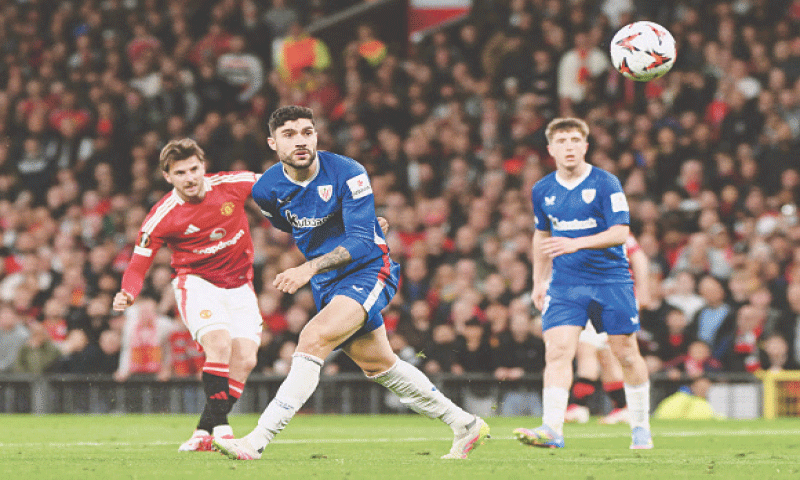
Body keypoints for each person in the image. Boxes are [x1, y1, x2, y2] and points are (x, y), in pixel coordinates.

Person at [213, 105, 489, 461]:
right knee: (379, 365)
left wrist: (309, 267)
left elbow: (361, 241)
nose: (300, 141)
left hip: (369, 269)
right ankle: (464, 424)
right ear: (272, 143)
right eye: (289, 134)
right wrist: (326, 256)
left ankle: (255, 442)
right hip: (329, 281)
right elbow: (290, 225)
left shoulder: (348, 172)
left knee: (312, 338)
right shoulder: (266, 190)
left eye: (307, 132)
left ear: (316, 136)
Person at [113, 138, 263, 452]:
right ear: (168, 177)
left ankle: (203, 431)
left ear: (203, 166)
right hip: (197, 284)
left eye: (194, 168)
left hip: (239, 286)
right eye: (180, 172)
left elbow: (277, 182)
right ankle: (222, 431)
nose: (190, 177)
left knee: (246, 359)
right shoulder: (162, 216)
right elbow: (138, 266)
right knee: (219, 344)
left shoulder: (232, 184)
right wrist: (128, 292)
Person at [513, 117, 653, 450]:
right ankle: (552, 429)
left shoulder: (606, 183)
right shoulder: (542, 189)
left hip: (611, 280)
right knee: (558, 351)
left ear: (586, 146)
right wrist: (538, 280)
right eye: (562, 141)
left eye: (575, 140)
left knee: (626, 354)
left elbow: (620, 232)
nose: (569, 147)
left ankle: (640, 425)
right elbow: (542, 235)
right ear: (551, 149)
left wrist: (577, 242)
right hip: (566, 284)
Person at [564, 233, 651, 425]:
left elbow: (639, 257)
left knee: (588, 349)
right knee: (607, 355)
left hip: (613, 297)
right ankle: (622, 407)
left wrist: (643, 290)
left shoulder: (612, 231)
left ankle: (579, 405)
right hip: (600, 296)